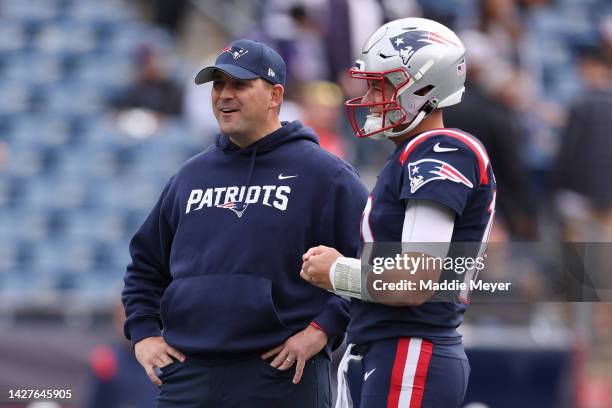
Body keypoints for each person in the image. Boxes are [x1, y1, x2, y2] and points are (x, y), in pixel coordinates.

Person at [122, 39, 369, 408]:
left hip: (280, 375)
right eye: (218, 84)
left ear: (275, 95)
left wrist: (324, 329)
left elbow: (371, 266)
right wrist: (143, 335)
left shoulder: (325, 174)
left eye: (239, 84)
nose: (224, 95)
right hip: (189, 375)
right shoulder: (190, 176)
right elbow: (145, 267)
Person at [300, 18, 496, 408]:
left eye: (380, 85)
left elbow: (415, 280)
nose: (370, 97)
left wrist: (338, 272)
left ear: (424, 86)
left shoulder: (440, 147)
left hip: (412, 351)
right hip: (397, 350)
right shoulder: (410, 153)